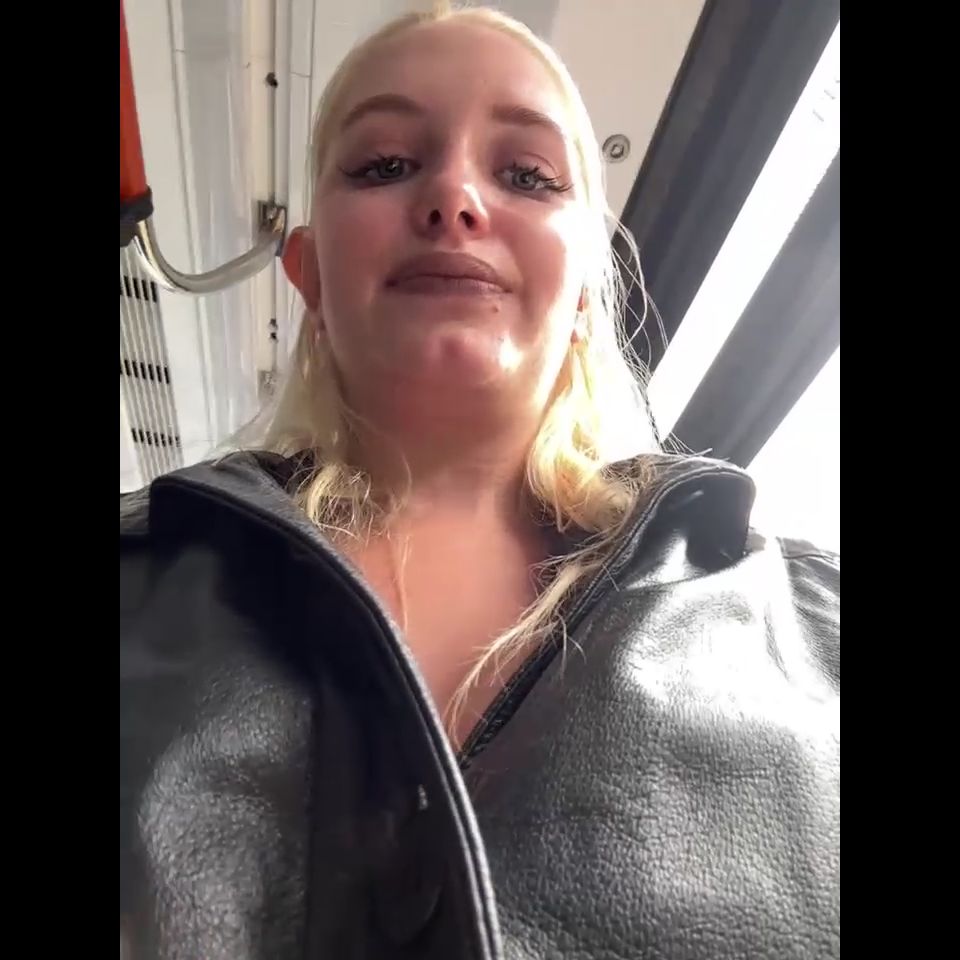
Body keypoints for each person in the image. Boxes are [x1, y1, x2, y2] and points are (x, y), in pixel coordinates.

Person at [119, 5, 840, 959]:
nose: (453, 195)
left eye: (528, 176)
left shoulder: (814, 629)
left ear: (585, 288)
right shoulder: (137, 576)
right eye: (385, 164)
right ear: (310, 275)